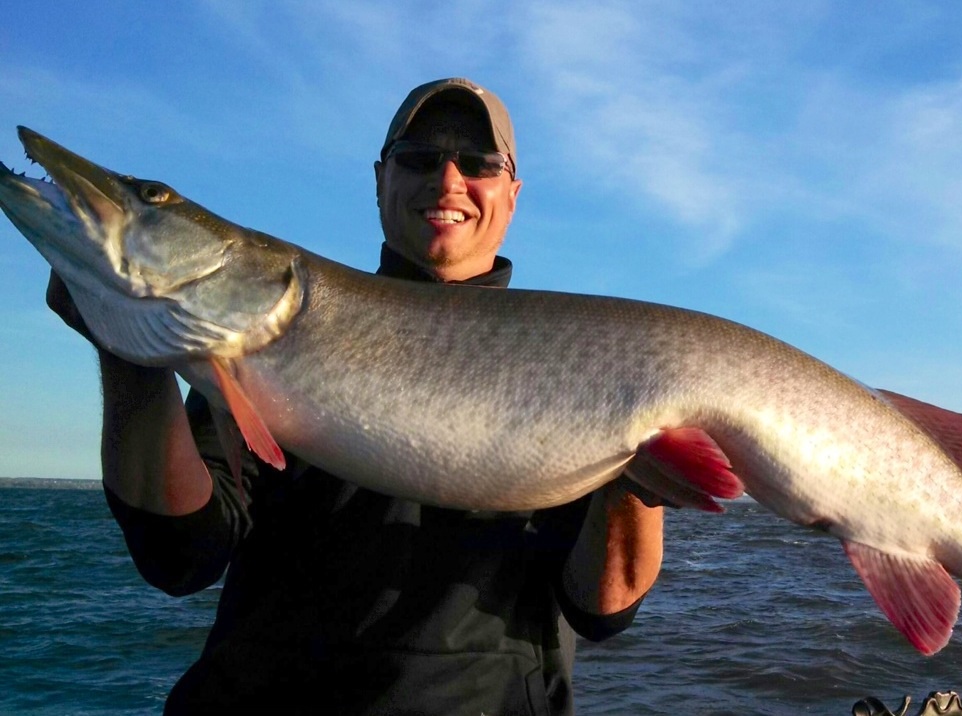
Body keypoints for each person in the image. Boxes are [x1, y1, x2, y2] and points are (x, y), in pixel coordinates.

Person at [47, 77, 665, 715]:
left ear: (511, 195)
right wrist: (129, 352)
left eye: (477, 163)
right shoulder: (269, 334)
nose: (447, 180)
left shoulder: (579, 360)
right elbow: (180, 554)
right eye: (418, 158)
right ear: (379, 181)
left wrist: (638, 488)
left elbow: (601, 607)